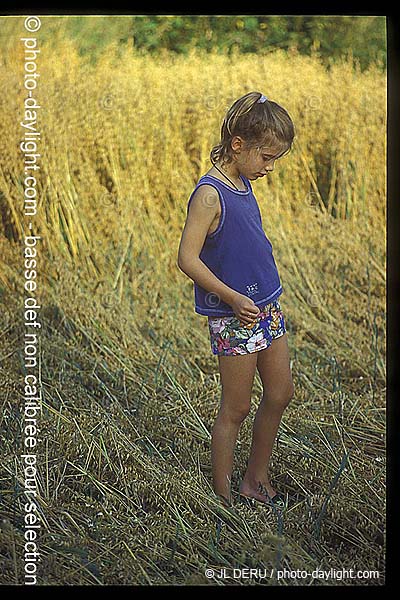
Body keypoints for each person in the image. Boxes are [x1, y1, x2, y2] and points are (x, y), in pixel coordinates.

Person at [177, 91, 295, 510]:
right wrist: (231, 297)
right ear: (237, 145)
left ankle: (255, 478)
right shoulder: (209, 195)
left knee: (280, 392)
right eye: (266, 157)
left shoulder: (243, 182)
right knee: (237, 407)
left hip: (267, 307)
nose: (270, 167)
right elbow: (186, 258)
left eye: (275, 159)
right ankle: (224, 497)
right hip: (234, 316)